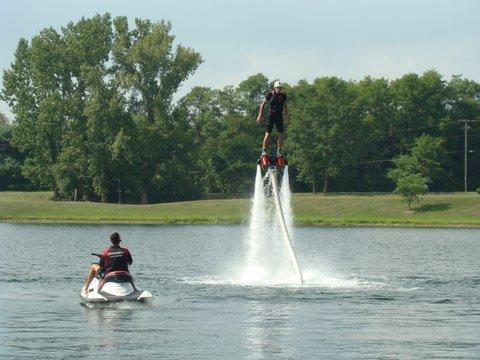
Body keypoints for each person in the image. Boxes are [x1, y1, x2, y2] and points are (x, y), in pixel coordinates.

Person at [256, 80, 289, 156]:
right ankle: (264, 150)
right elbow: (263, 104)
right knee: (268, 134)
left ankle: (279, 150)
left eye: (280, 88)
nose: (279, 89)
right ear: (274, 88)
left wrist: (287, 117)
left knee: (280, 134)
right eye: (277, 88)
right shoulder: (270, 94)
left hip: (279, 117)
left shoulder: (283, 95)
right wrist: (260, 115)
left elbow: (286, 107)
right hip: (271, 116)